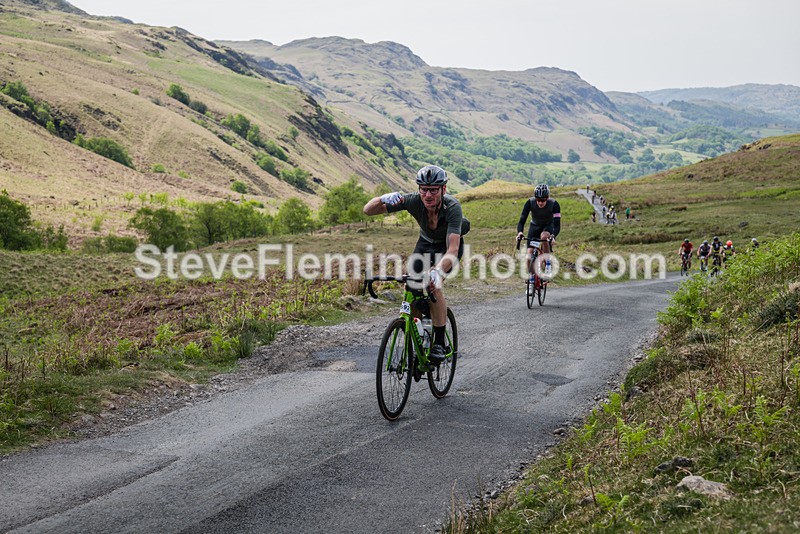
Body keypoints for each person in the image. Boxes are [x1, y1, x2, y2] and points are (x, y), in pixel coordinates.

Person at [363, 165, 468, 364]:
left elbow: (453, 249)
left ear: (443, 189)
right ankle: (418, 337)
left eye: (433, 190)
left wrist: (438, 271)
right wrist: (382, 199)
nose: (428, 195)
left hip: (447, 247)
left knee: (434, 286)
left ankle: (439, 343)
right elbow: (368, 211)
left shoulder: (452, 207)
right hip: (425, 244)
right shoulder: (412, 200)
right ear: (419, 189)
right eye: (424, 189)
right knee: (411, 286)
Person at [516, 184, 561, 278]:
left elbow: (557, 225)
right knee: (529, 255)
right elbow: (522, 220)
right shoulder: (530, 202)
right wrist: (520, 232)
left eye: (543, 200)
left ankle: (548, 263)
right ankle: (532, 278)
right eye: (538, 200)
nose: (540, 203)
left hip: (548, 226)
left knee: (544, 236)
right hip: (534, 227)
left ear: (547, 198)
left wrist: (553, 236)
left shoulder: (554, 204)